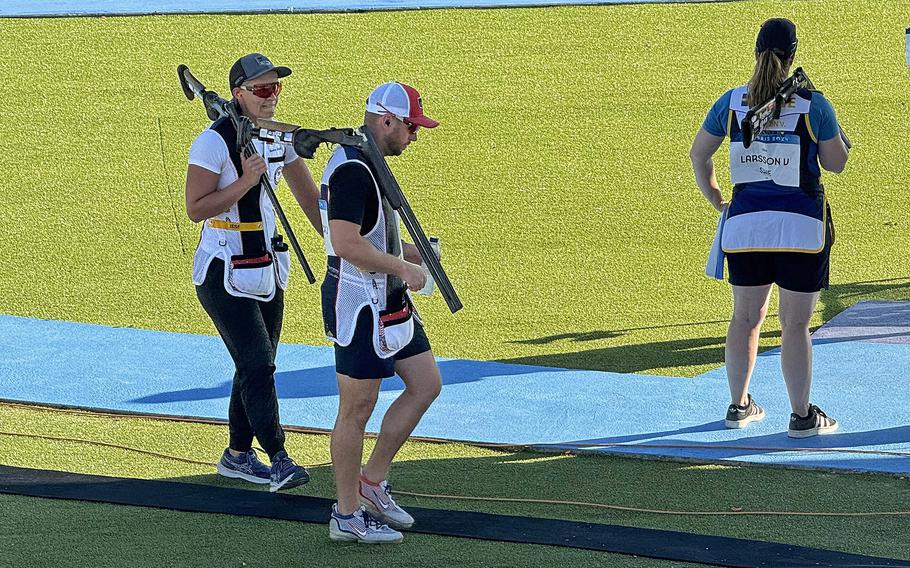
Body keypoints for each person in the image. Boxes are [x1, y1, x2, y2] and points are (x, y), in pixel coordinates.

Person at [689, 19, 850, 438]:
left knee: (745, 318)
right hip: (801, 231)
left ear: (756, 50)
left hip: (745, 228)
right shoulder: (814, 104)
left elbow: (699, 154)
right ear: (793, 55)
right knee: (795, 325)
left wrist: (718, 200)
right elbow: (835, 163)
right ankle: (801, 416)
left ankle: (739, 406)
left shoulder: (732, 102)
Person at [185, 53, 322, 491]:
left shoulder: (276, 139)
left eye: (276, 88)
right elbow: (196, 208)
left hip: (267, 268)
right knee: (259, 365)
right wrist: (245, 181)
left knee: (255, 365)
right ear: (239, 94)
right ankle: (278, 457)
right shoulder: (211, 142)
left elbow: (312, 203)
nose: (272, 97)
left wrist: (351, 247)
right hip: (222, 270)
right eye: (262, 90)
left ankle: (238, 455)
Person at [320, 82, 443, 543]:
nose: (415, 136)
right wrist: (405, 266)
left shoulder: (365, 160)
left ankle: (371, 483)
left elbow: (369, 235)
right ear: (386, 120)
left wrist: (411, 254)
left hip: (386, 292)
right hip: (359, 301)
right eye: (411, 126)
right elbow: (347, 245)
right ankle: (346, 514)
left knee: (426, 384)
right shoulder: (354, 170)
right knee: (356, 409)